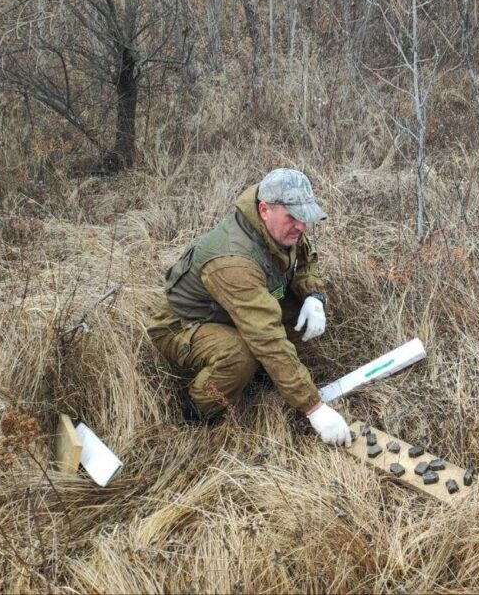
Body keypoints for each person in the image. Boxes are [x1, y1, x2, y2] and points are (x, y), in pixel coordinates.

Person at [147, 168, 352, 446]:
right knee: (241, 354)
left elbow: (303, 259)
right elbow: (266, 337)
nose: (302, 226)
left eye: (304, 217)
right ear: (264, 210)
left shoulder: (280, 227)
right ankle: (196, 411)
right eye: (293, 217)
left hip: (233, 310)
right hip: (186, 323)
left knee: (296, 318)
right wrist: (314, 408)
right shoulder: (233, 260)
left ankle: (264, 377)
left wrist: (314, 296)